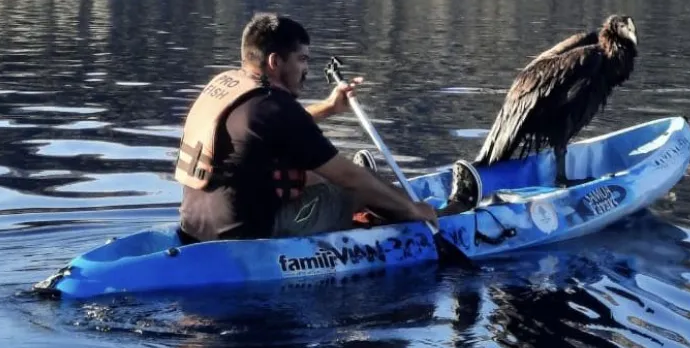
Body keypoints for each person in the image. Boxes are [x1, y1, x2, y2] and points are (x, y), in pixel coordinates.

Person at [176, 12, 481, 243]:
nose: (306, 69)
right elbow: (349, 177)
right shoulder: (276, 107)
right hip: (247, 235)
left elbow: (272, 130)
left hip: (193, 225)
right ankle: (443, 215)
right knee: (358, 187)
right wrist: (414, 209)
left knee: (313, 174)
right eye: (301, 59)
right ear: (275, 62)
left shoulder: (227, 87)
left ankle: (374, 211)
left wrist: (329, 108)